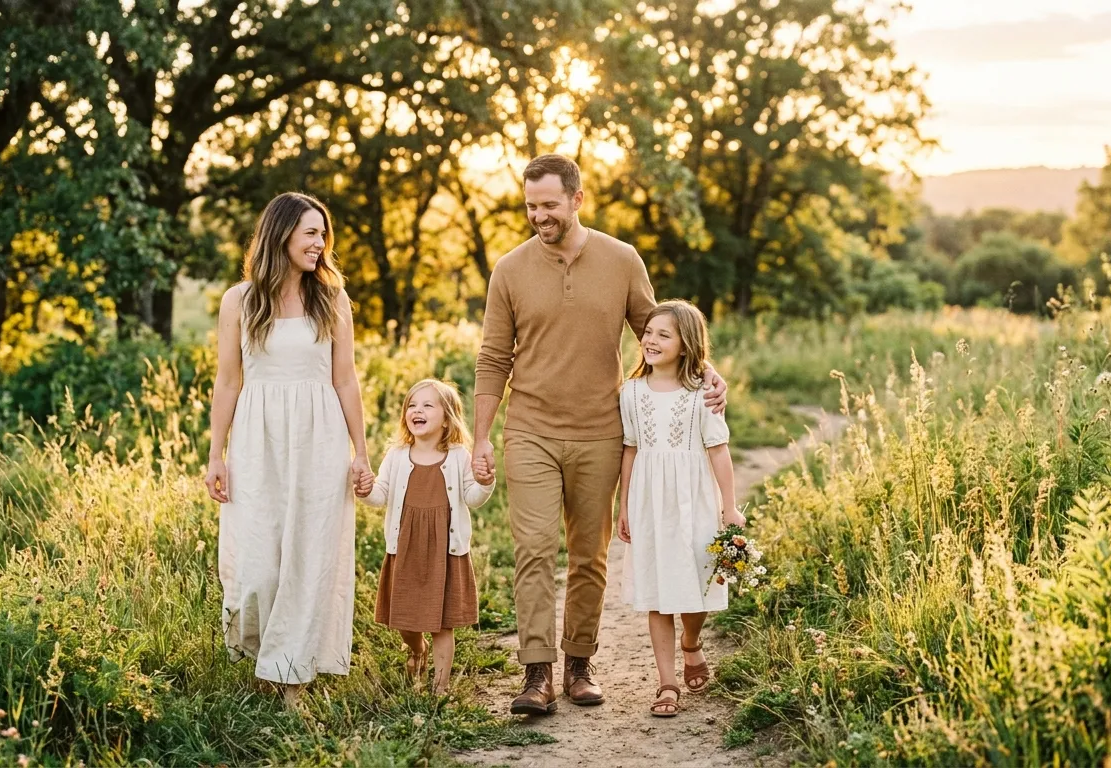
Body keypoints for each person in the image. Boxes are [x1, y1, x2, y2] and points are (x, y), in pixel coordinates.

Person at [472, 154, 727, 715]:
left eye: (549, 205)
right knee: (534, 549)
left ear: (576, 199)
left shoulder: (620, 259)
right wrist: (482, 437)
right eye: (530, 205)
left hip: (601, 431)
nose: (538, 215)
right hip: (531, 428)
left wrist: (705, 371)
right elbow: (493, 358)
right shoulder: (510, 270)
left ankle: (579, 665)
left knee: (589, 555)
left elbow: (657, 333)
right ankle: (536, 674)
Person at [204, 192, 374, 708]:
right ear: (280, 234)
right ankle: (268, 656)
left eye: (323, 234)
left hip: (320, 438)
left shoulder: (333, 300)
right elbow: (228, 382)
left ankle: (291, 680)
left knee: (308, 556)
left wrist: (360, 452)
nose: (320, 243)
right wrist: (217, 454)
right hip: (258, 441)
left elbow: (345, 380)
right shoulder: (240, 300)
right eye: (310, 233)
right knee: (258, 564)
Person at [616, 300, 744, 717]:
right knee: (657, 590)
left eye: (663, 334)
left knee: (698, 586)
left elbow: (719, 450)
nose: (650, 340)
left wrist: (730, 507)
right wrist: (624, 505)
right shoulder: (631, 393)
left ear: (686, 344)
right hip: (649, 499)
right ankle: (666, 682)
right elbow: (630, 449)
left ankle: (691, 641)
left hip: (694, 497)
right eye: (648, 333)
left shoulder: (700, 395)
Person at [361, 379, 495, 696]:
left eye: (427, 405)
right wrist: (365, 491)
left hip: (444, 552)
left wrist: (485, 481)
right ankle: (416, 648)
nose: (417, 410)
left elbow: (472, 497)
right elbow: (380, 495)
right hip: (406, 548)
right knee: (405, 620)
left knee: (441, 622)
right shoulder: (396, 456)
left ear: (447, 418)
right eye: (412, 405)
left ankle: (440, 687)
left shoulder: (459, 456)